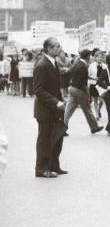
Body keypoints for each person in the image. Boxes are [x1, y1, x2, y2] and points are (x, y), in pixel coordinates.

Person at [33, 37, 66, 178]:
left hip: (55, 108)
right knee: (45, 140)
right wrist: (55, 102)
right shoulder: (42, 65)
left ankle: (54, 166)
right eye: (57, 46)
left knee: (57, 137)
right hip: (45, 109)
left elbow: (54, 86)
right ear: (49, 49)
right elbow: (38, 90)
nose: (60, 48)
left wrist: (60, 100)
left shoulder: (53, 63)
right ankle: (41, 169)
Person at [64, 49, 104, 135]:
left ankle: (62, 128)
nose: (90, 57)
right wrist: (87, 93)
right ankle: (94, 127)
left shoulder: (77, 63)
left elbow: (70, 73)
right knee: (87, 110)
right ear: (88, 56)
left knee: (68, 110)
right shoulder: (83, 66)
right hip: (80, 91)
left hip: (72, 88)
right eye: (90, 55)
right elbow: (83, 81)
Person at [88, 49, 103, 120]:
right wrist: (94, 78)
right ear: (95, 58)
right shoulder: (91, 65)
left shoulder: (105, 66)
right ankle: (97, 114)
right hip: (94, 84)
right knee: (96, 100)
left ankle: (99, 110)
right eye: (98, 57)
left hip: (102, 85)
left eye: (101, 57)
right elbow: (88, 76)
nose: (99, 58)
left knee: (102, 101)